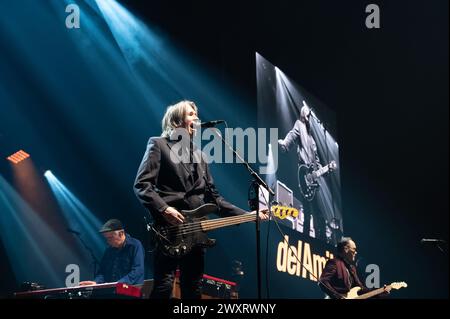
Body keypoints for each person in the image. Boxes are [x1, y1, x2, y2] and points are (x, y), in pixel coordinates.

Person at [133, 100, 268, 299]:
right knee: (164, 285)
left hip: (196, 231)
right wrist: (164, 209)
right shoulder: (159, 144)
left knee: (193, 287)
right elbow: (142, 185)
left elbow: (215, 199)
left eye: (196, 114)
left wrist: (248, 215)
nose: (196, 117)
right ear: (177, 121)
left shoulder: (201, 156)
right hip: (168, 229)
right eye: (190, 114)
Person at [278, 101, 327, 241]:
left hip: (313, 179)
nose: (309, 115)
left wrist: (324, 169)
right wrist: (285, 144)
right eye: (307, 113)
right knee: (307, 212)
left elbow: (316, 160)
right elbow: (293, 135)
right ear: (303, 113)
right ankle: (305, 241)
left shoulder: (312, 140)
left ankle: (321, 242)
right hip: (304, 174)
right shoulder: (299, 124)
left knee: (320, 214)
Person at [79, 219, 145, 286]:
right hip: (114, 289)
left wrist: (119, 284)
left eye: (110, 238)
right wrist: (96, 282)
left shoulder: (135, 245)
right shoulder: (109, 250)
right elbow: (102, 272)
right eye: (106, 238)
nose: (108, 241)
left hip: (131, 289)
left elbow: (138, 271)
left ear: (121, 233)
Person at [319, 237, 390, 299]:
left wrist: (381, 292)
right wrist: (338, 297)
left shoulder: (352, 268)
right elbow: (323, 282)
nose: (355, 252)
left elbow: (361, 289)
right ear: (346, 249)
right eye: (354, 249)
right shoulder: (334, 262)